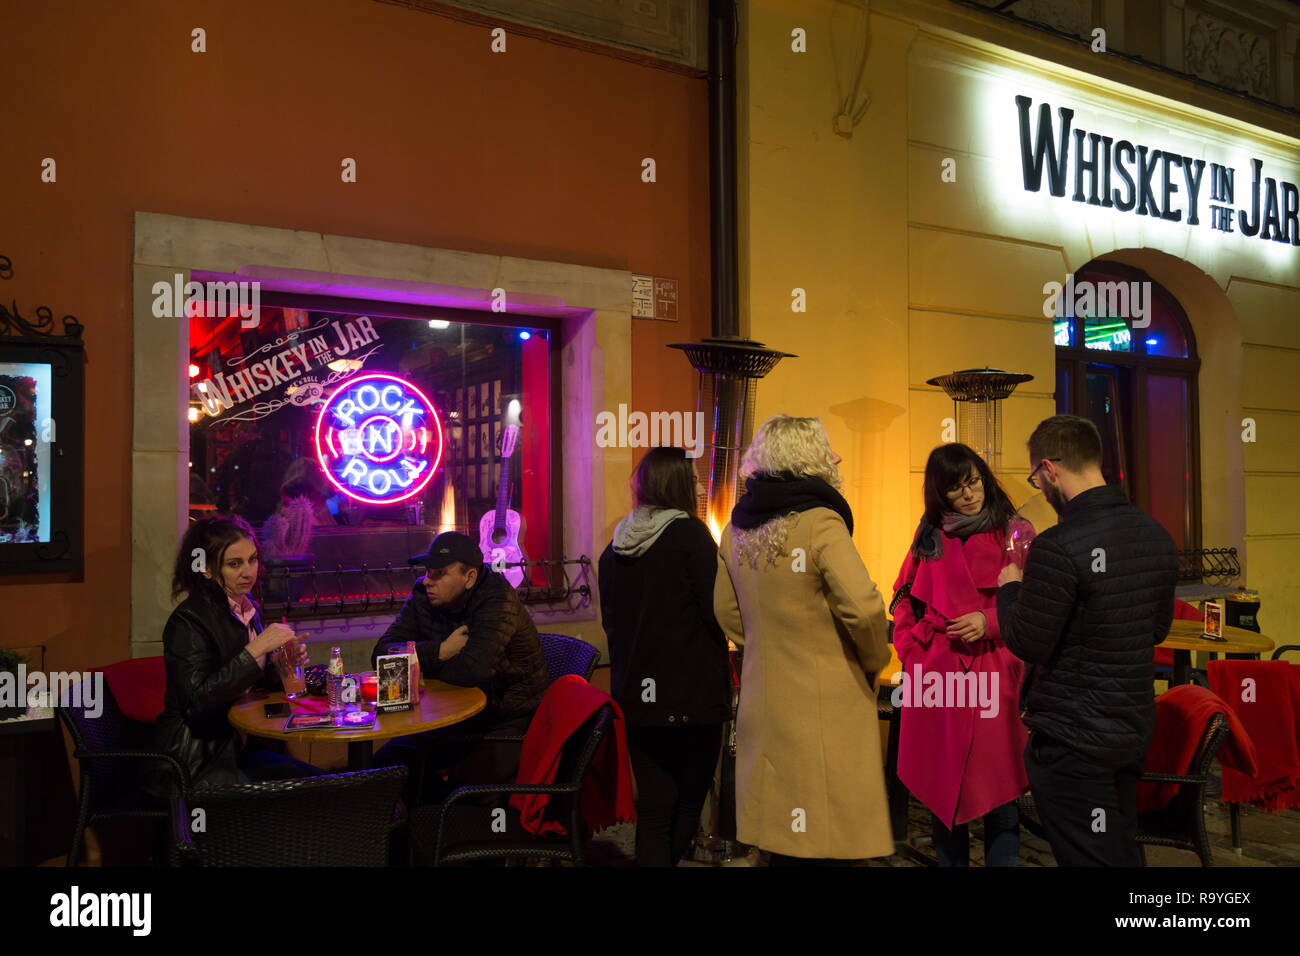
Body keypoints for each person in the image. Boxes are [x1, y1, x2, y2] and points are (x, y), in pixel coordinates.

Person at [996, 415, 1178, 866]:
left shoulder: (1059, 545)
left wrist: (1011, 588)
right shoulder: (1155, 535)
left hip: (1073, 741)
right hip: (1128, 732)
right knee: (1118, 850)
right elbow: (1155, 630)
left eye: (1036, 478)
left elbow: (1028, 641)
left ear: (1049, 470)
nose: (1040, 488)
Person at [714, 415, 893, 865]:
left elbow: (725, 611)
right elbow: (866, 607)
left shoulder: (735, 529)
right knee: (827, 841)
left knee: (781, 836)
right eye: (826, 448)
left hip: (763, 699)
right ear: (809, 458)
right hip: (825, 707)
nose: (835, 456)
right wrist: (873, 659)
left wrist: (761, 644)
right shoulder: (820, 522)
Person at [891, 443, 1036, 866]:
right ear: (941, 494)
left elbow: (1035, 603)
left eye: (974, 482)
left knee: (1001, 791)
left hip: (997, 670)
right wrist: (910, 650)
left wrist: (988, 621)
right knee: (944, 791)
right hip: (939, 672)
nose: (970, 494)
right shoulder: (930, 535)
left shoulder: (1015, 532)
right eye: (956, 489)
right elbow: (902, 597)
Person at [599, 447, 730, 867]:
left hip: (637, 696)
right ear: (679, 484)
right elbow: (717, 611)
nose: (696, 486)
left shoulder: (616, 543)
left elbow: (610, 623)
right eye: (691, 479)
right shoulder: (690, 536)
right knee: (690, 801)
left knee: (653, 810)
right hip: (691, 696)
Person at [370, 531, 549, 802]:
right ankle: (413, 833)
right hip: (450, 715)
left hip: (509, 717)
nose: (428, 581)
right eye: (428, 571)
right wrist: (441, 651)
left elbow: (472, 672)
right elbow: (382, 657)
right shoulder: (423, 593)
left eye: (439, 573)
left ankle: (449, 830)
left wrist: (420, 668)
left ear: (470, 577)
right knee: (383, 768)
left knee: (465, 795)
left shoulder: (497, 598)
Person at [154, 516, 318, 792]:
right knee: (313, 798)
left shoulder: (246, 608)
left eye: (252, 560)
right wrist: (256, 649)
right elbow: (198, 701)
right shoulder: (189, 621)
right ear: (206, 569)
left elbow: (244, 682)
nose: (248, 572)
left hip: (239, 748)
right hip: (197, 763)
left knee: (327, 787)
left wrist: (277, 666)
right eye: (234, 564)